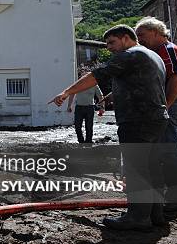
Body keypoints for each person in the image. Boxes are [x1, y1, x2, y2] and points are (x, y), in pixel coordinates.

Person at [49, 25, 168, 231]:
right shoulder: (152, 56)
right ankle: (155, 214)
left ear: (125, 38)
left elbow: (97, 75)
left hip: (136, 120)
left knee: (136, 169)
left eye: (112, 42)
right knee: (151, 167)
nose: (109, 48)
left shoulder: (130, 55)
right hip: (156, 118)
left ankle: (138, 217)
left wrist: (66, 92)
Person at [135, 17, 177, 213]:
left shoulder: (168, 50)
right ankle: (172, 196)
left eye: (141, 35)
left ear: (156, 32)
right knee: (163, 152)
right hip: (164, 105)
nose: (139, 39)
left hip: (171, 105)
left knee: (169, 151)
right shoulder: (156, 53)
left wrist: (165, 106)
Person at [67, 76, 104, 143]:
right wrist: (69, 105)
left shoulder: (94, 84)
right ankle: (81, 141)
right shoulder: (77, 84)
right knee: (77, 126)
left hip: (89, 108)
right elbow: (72, 94)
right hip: (79, 107)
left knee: (89, 127)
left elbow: (100, 96)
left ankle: (88, 142)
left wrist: (102, 107)